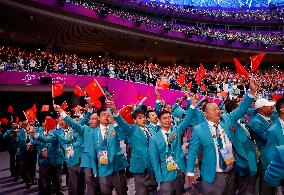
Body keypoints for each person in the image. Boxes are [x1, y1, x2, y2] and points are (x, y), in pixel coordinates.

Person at [187, 79, 258, 195]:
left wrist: (251, 92)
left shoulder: (227, 119)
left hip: (231, 172)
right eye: (214, 110)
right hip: (212, 175)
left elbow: (241, 108)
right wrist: (190, 172)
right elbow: (192, 152)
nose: (218, 111)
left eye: (218, 109)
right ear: (205, 113)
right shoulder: (199, 129)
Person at [55, 105, 128, 195]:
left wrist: (114, 123)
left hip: (115, 165)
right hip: (99, 164)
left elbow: (124, 136)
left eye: (107, 115)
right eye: (103, 115)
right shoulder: (90, 131)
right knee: (101, 190)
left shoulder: (113, 128)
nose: (105, 117)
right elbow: (73, 124)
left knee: (121, 190)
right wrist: (61, 111)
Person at [149, 94, 198, 195]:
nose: (167, 120)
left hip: (179, 170)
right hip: (165, 174)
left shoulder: (177, 130)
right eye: (164, 118)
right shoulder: (154, 138)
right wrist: (159, 176)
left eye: (169, 117)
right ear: (159, 120)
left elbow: (187, 119)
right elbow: (154, 159)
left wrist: (192, 105)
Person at [248, 98, 276, 195]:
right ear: (261, 109)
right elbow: (266, 138)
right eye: (268, 105)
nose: (272, 107)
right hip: (266, 159)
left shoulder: (270, 118)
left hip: (274, 157)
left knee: (274, 188)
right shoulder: (256, 122)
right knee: (266, 189)